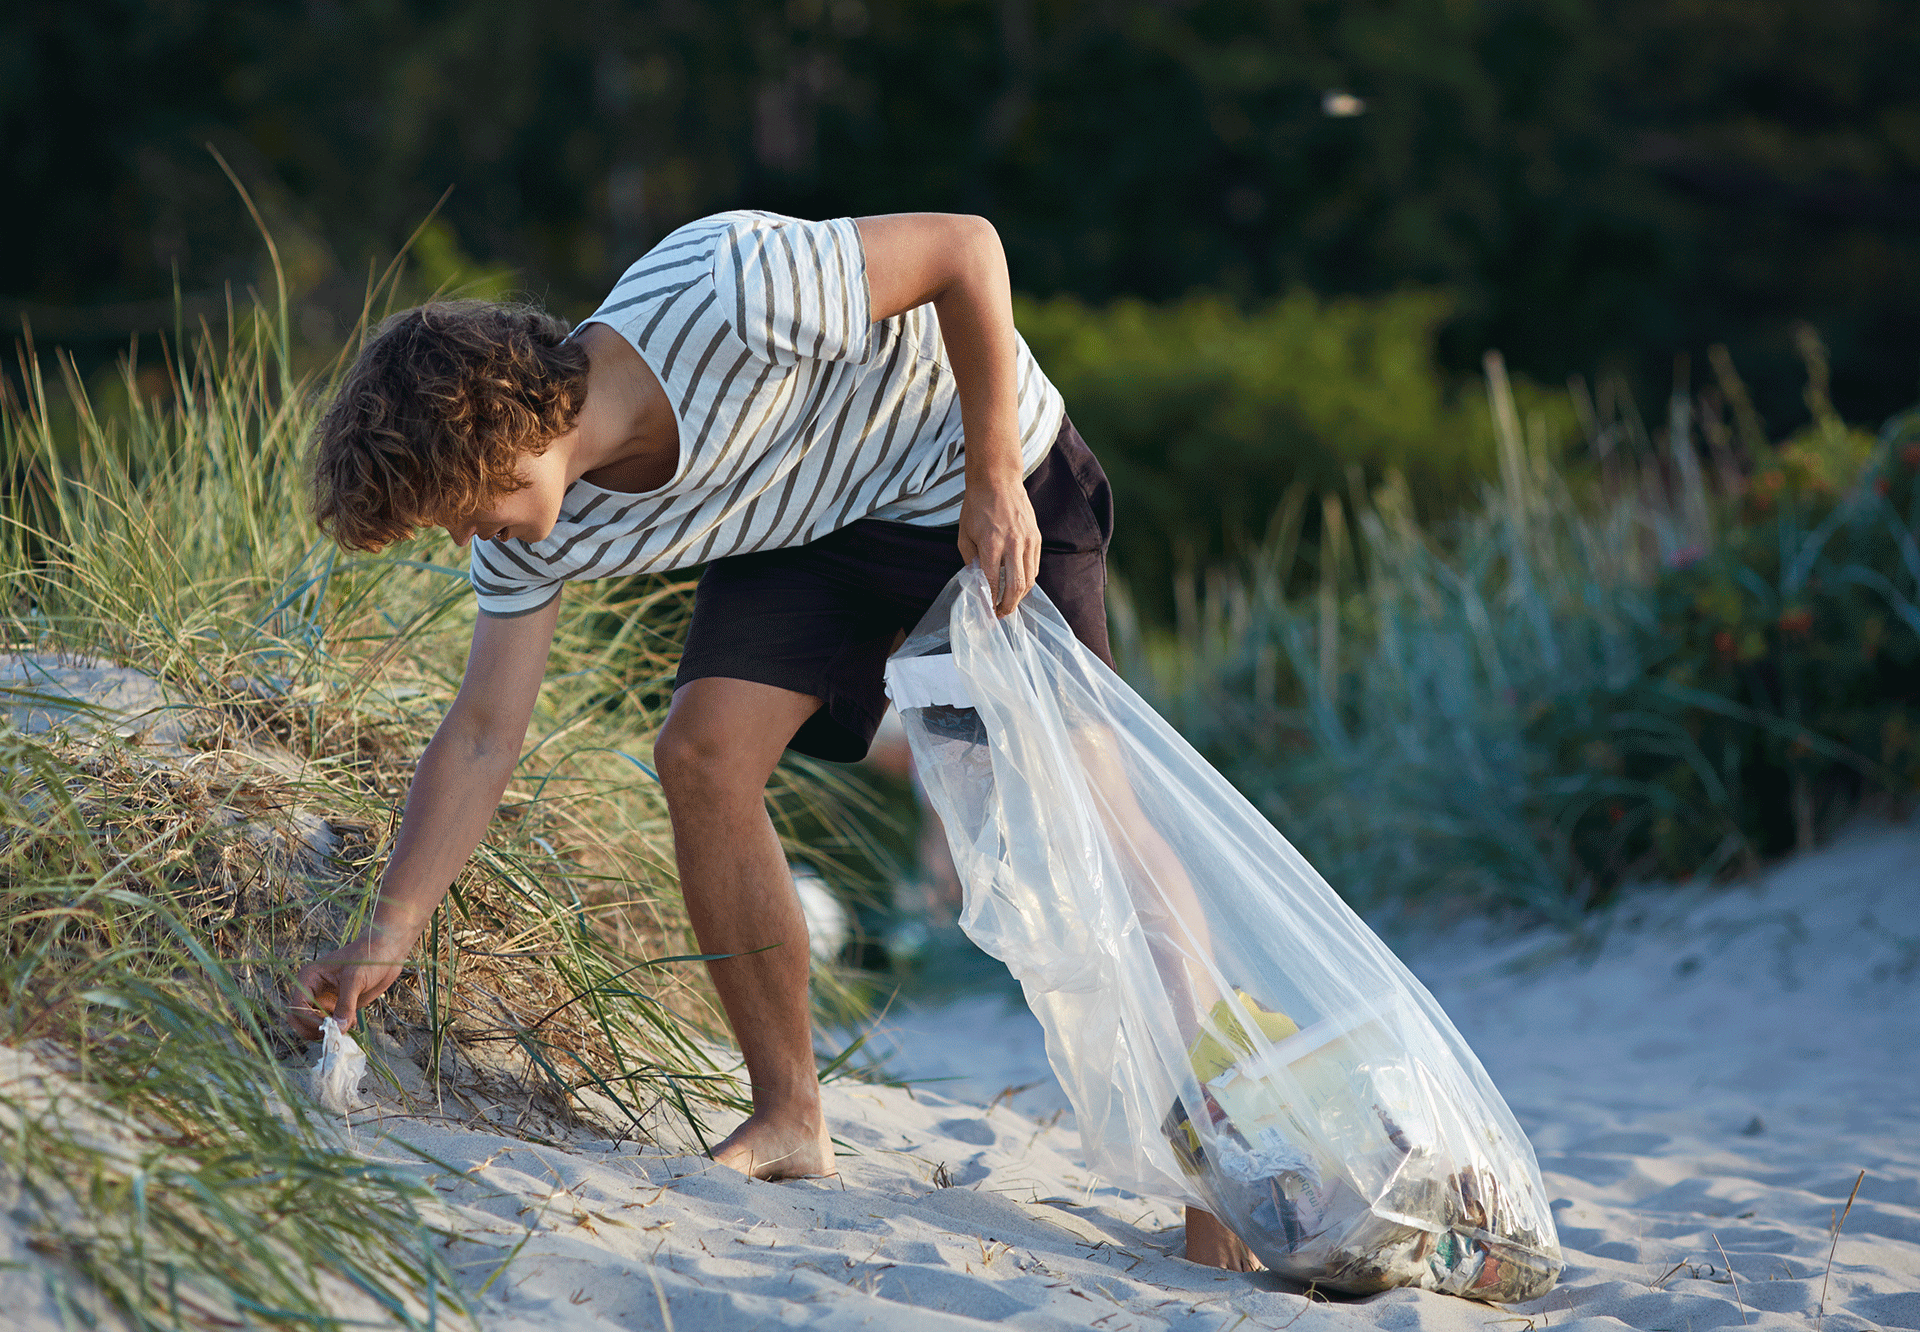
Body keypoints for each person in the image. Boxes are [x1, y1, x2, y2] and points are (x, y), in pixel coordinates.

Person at [290, 209, 1257, 1271]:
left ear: (501, 422)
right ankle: (791, 1114)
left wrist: (991, 477)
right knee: (701, 754)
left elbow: (965, 250)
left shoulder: (727, 290)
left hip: (976, 461)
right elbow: (481, 736)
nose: (471, 536)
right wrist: (390, 927)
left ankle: (1224, 1187)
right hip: (811, 525)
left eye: (463, 504)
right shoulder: (538, 532)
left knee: (1093, 815)